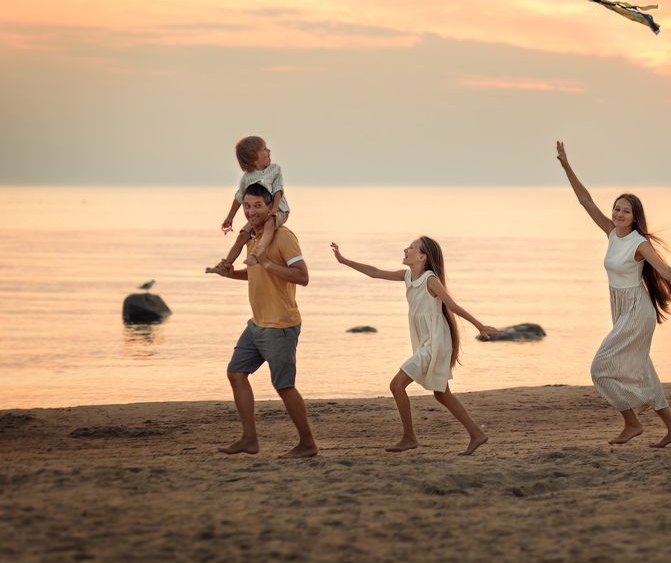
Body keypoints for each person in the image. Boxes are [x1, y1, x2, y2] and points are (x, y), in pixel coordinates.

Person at [556, 141, 671, 448]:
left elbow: (665, 270)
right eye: (617, 208)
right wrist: (566, 167)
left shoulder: (639, 244)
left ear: (635, 216)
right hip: (621, 309)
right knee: (643, 369)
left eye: (625, 211)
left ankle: (632, 422)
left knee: (600, 368)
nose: (618, 213)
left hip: (637, 312)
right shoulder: (611, 232)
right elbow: (585, 200)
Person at [330, 237, 501, 455]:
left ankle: (409, 437)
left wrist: (480, 325)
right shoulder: (408, 276)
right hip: (425, 342)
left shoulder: (430, 280)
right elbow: (375, 272)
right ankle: (477, 434)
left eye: (411, 247)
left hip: (435, 342)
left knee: (396, 386)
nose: (405, 249)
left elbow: (452, 306)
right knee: (441, 394)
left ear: (422, 257)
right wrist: (344, 260)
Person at [208, 183, 317, 458]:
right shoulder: (252, 237)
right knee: (236, 373)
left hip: (280, 325)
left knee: (284, 386)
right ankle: (249, 439)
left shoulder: (282, 236)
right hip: (257, 324)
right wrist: (228, 274)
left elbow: (302, 277)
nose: (251, 211)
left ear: (270, 207)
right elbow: (256, 275)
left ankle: (307, 443)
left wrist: (267, 263)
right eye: (247, 205)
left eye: (257, 206)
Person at [207, 136, 290, 273]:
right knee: (242, 236)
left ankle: (255, 255)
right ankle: (226, 264)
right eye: (264, 149)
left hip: (279, 210)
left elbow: (278, 191)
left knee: (269, 223)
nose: (269, 151)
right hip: (259, 214)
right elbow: (239, 197)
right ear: (254, 157)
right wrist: (230, 218)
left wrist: (274, 210)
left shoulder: (275, 170)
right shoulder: (247, 178)